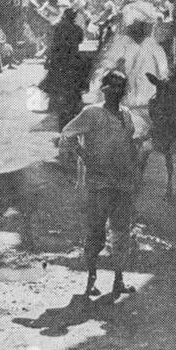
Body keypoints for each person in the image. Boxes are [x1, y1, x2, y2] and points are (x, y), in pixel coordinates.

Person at [60, 69, 137, 303]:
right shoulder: (91, 113)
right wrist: (85, 157)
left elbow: (131, 143)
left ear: (123, 93)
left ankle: (118, 279)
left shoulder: (127, 115)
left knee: (122, 232)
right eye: (110, 89)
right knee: (96, 232)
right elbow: (67, 133)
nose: (115, 94)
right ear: (104, 91)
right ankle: (91, 278)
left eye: (119, 90)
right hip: (99, 182)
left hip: (122, 181)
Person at [95, 3, 170, 150]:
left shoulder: (155, 48)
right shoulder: (120, 45)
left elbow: (163, 75)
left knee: (142, 147)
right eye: (144, 24)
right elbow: (105, 70)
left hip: (148, 106)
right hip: (124, 105)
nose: (149, 28)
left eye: (150, 24)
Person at [42, 7, 85, 129]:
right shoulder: (77, 29)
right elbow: (80, 40)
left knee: (58, 88)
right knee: (73, 89)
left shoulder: (58, 27)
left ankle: (61, 114)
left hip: (59, 62)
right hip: (72, 62)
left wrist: (48, 59)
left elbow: (52, 44)